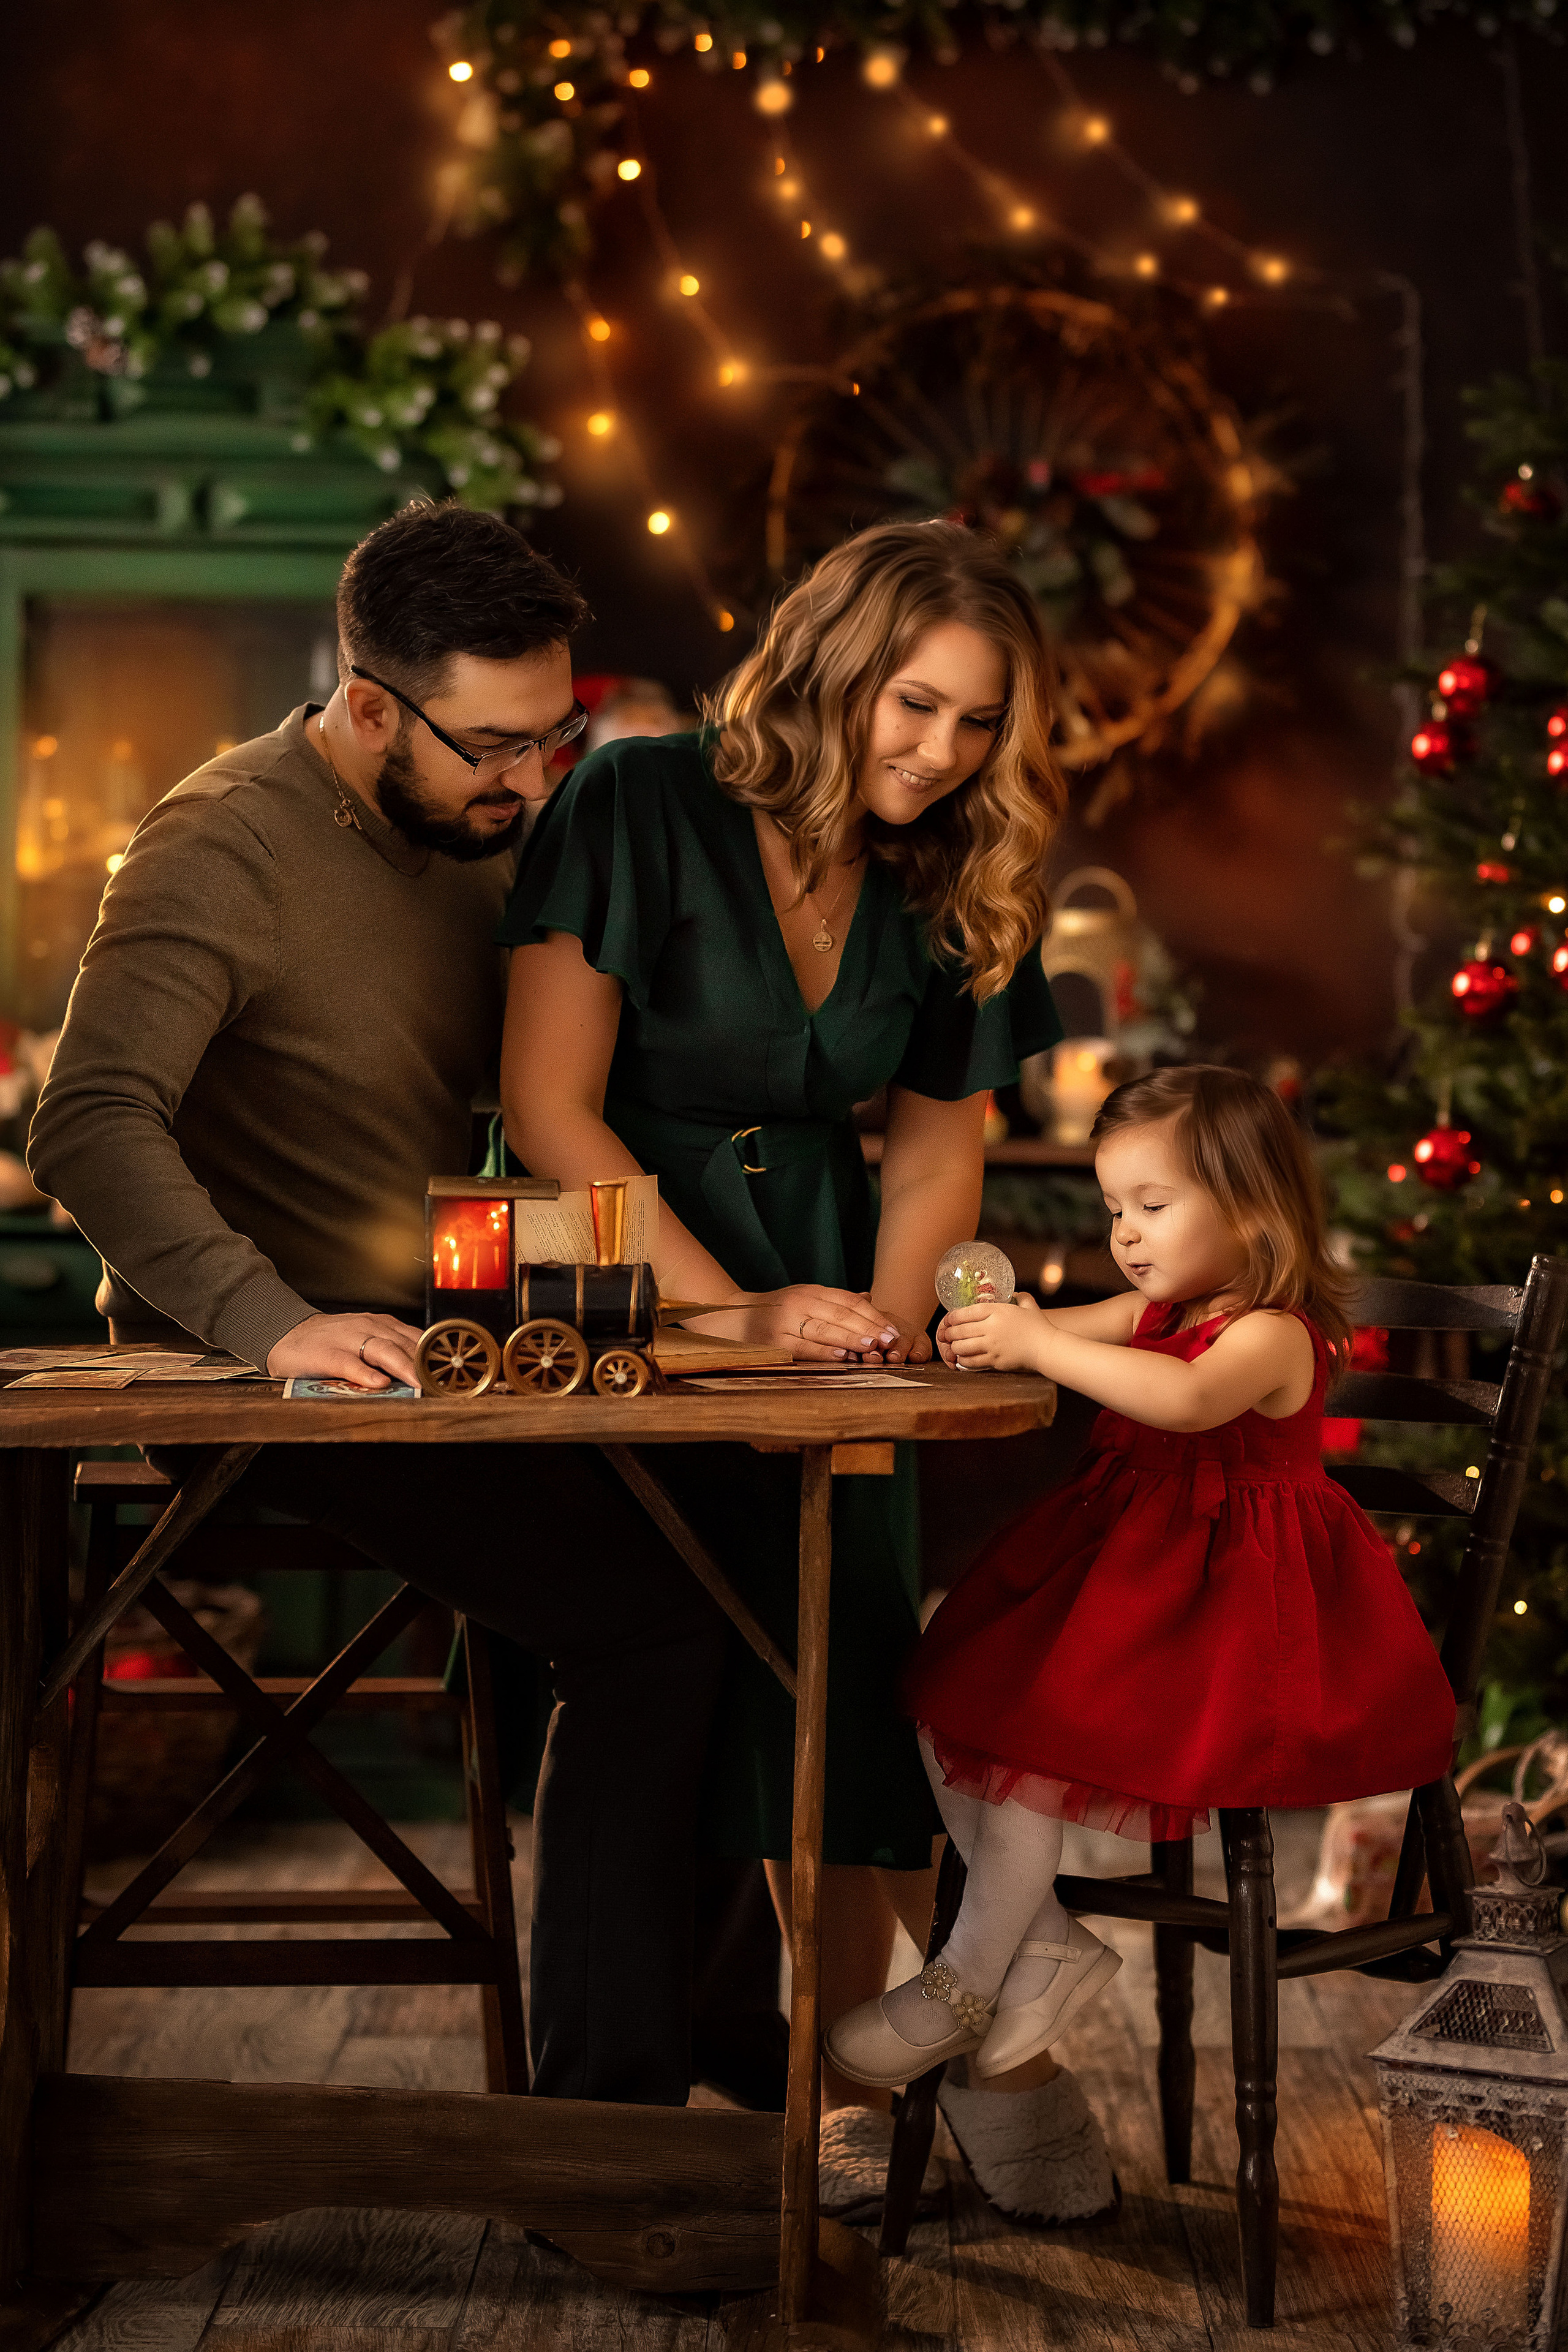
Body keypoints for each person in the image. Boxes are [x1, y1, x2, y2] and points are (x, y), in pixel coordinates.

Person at [27, 499, 728, 2108]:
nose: (533, 780)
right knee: (655, 1621)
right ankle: (608, 2127)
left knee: (760, 1540)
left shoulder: (480, 833)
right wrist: (270, 1324)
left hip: (458, 1303)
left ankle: (727, 2024)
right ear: (365, 707)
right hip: (282, 1368)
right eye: (494, 744)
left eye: (560, 737)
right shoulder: (221, 841)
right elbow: (87, 1121)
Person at [496, 518, 1073, 2205]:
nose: (942, 752)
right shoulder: (640, 797)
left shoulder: (954, 865)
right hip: (627, 1286)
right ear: (831, 662)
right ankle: (751, 2089)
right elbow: (546, 1110)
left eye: (979, 724)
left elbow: (939, 1150)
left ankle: (850, 2094)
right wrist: (735, 1327)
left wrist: (879, 1359)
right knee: (702, 1662)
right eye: (915, 703)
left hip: (839, 1287)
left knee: (854, 1678)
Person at [827, 1063, 1458, 2095]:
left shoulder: (1268, 1333)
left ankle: (968, 1978)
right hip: (1136, 1586)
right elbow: (1073, 1332)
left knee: (1027, 1726)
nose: (1125, 1231)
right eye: (1115, 1206)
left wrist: (1044, 1340)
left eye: (1153, 1206)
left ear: (1253, 1208)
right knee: (949, 1693)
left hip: (1232, 1625)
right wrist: (1007, 1328)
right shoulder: (1161, 1307)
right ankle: (1043, 1942)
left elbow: (1189, 1400)